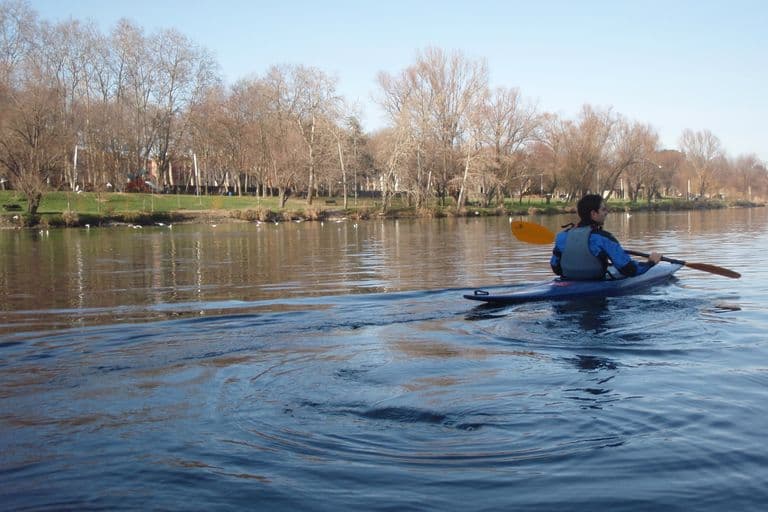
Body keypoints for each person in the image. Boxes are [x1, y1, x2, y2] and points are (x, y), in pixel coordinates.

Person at [550, 194, 662, 280]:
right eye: (603, 209)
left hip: (568, 285)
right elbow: (629, 270)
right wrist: (650, 263)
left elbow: (556, 268)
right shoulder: (604, 238)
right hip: (596, 296)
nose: (606, 212)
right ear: (593, 214)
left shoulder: (562, 236)